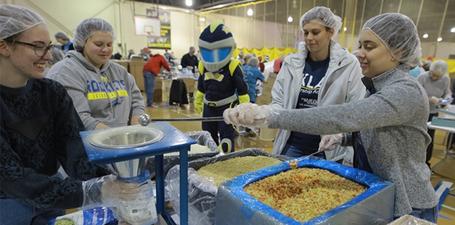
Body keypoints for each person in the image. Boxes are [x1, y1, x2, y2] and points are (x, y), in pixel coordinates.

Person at [224, 13, 438, 223]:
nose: (359, 53)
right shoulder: (376, 84)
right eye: (360, 45)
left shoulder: (404, 91)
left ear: (397, 51)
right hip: (379, 194)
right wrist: (343, 137)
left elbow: (344, 115)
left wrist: (271, 115)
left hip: (408, 205)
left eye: (369, 47)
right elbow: (377, 130)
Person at [0, 5, 150, 224]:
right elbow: (10, 176)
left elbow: (74, 152)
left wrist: (114, 181)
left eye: (49, 47)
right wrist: (91, 191)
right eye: (37, 47)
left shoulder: (51, 93)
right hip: (7, 203)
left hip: (50, 198)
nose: (48, 55)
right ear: (4, 46)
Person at [270, 6, 365, 160]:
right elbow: (279, 101)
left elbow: (355, 108)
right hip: (293, 143)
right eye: (306, 32)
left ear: (331, 32)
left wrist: (342, 140)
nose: (309, 37)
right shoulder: (291, 64)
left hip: (327, 147)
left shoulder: (348, 65)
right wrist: (262, 115)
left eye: (315, 32)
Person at [48, 18, 145, 130]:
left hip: (122, 140)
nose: (105, 50)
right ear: (82, 42)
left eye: (109, 44)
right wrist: (117, 139)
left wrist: (136, 121)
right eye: (99, 44)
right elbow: (78, 118)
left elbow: (137, 100)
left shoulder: (120, 71)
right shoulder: (65, 72)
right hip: (88, 143)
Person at [194, 22, 249, 153]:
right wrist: (198, 100)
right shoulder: (202, 65)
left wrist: (244, 107)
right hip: (208, 109)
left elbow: (242, 90)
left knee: (227, 141)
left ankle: (226, 165)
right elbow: (201, 86)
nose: (214, 57)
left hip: (227, 109)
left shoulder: (233, 66)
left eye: (219, 51)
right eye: (209, 52)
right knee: (208, 139)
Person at [417, 60, 451, 167]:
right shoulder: (422, 77)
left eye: (437, 76)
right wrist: (429, 99)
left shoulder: (445, 79)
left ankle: (426, 162)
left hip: (434, 112)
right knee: (418, 137)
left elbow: (447, 92)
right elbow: (415, 94)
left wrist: (446, 99)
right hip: (420, 112)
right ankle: (416, 161)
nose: (434, 77)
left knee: (430, 138)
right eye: (432, 74)